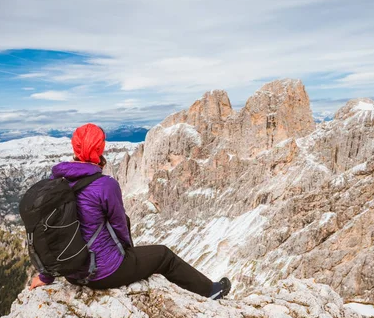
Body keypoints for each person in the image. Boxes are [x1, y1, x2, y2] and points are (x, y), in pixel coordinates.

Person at [29, 123, 231, 300]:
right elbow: (119, 223)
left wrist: (46, 276)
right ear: (99, 149)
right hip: (103, 273)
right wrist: (128, 254)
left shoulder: (58, 182)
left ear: (75, 148)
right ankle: (210, 291)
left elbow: (52, 234)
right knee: (163, 255)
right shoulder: (105, 185)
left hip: (72, 274)